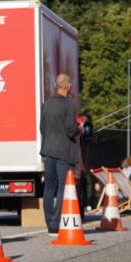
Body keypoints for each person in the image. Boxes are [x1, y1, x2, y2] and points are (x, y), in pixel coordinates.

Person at [40, 73, 81, 237]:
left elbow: (42, 128)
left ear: (55, 86)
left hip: (48, 151)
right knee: (63, 187)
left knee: (49, 187)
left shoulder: (46, 104)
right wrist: (80, 129)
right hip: (64, 153)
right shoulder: (69, 106)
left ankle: (50, 223)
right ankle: (57, 223)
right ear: (69, 87)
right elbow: (71, 130)